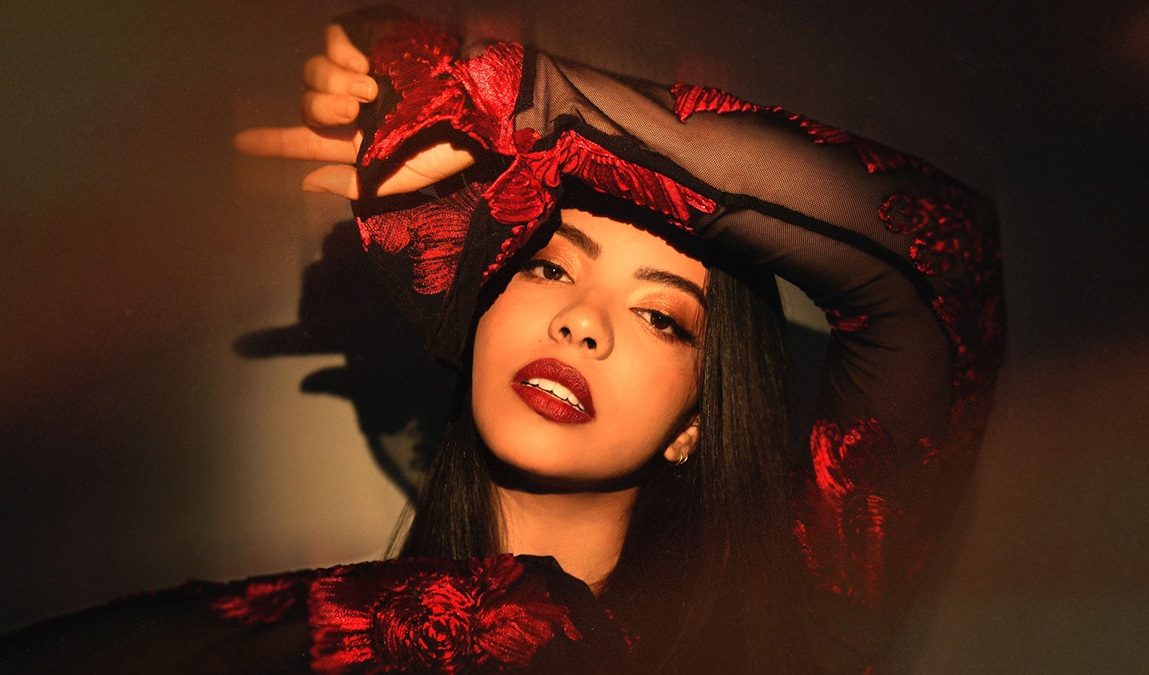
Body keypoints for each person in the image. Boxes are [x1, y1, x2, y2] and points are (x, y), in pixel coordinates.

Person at [1, 9, 1003, 674]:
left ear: (699, 421)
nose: (581, 321)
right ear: (478, 314)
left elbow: (937, 262)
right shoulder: (318, 628)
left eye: (661, 316)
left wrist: (528, 105)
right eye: (548, 266)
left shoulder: (794, 628)